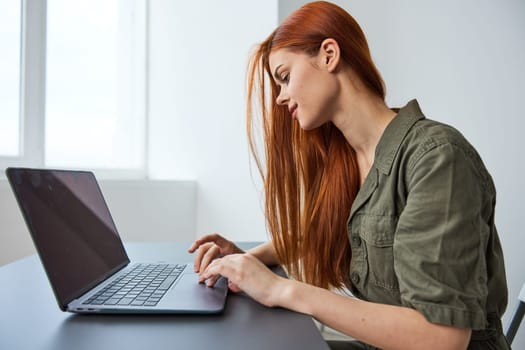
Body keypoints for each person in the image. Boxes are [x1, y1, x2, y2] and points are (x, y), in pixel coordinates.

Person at [188, 1, 510, 349]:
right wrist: (246, 261)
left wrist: (280, 289)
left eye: (284, 77)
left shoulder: (437, 159)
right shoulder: (350, 160)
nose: (280, 97)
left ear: (329, 54)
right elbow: (316, 234)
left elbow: (441, 339)